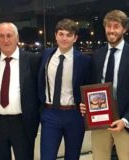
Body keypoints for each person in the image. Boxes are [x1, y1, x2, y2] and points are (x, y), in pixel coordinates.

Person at [80, 10, 129, 160]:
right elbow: (91, 87)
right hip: (99, 121)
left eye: (116, 26)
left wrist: (125, 120)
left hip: (125, 122)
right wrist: (85, 104)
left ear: (124, 29)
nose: (111, 30)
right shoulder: (97, 55)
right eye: (108, 26)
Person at [0, 22, 41, 160]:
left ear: (17, 38)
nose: (5, 40)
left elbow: (40, 91)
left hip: (22, 124)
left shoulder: (33, 60)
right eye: (1, 36)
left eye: (9, 36)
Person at [37, 18, 91, 160]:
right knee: (47, 157)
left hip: (74, 115)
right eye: (61, 34)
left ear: (75, 38)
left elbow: (90, 86)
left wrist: (86, 104)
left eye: (69, 35)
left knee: (72, 157)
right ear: (55, 36)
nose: (64, 38)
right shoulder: (46, 55)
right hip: (50, 114)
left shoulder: (84, 61)